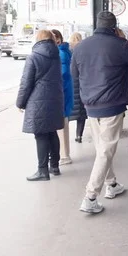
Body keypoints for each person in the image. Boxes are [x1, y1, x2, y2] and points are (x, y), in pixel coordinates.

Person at [72, 11, 128, 214]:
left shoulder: (81, 47)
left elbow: (74, 74)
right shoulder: (119, 44)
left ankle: (112, 184)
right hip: (112, 105)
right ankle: (90, 196)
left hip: (90, 105)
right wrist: (123, 42)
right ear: (114, 26)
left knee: (102, 149)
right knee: (105, 151)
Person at [16, 30, 66, 181]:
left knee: (41, 135)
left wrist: (20, 102)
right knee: (52, 132)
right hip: (55, 99)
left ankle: (42, 170)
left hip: (39, 100)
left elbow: (26, 83)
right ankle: (55, 166)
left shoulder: (34, 57)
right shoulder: (56, 55)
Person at [53, 30, 74, 165]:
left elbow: (63, 73)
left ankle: (64, 155)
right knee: (63, 123)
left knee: (61, 124)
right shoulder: (65, 51)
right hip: (66, 91)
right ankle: (65, 154)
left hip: (62, 92)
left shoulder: (60, 53)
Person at [69, 32, 87, 143]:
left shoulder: (68, 51)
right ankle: (79, 135)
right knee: (81, 113)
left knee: (69, 111)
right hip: (81, 84)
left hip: (71, 84)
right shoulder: (83, 51)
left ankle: (64, 136)